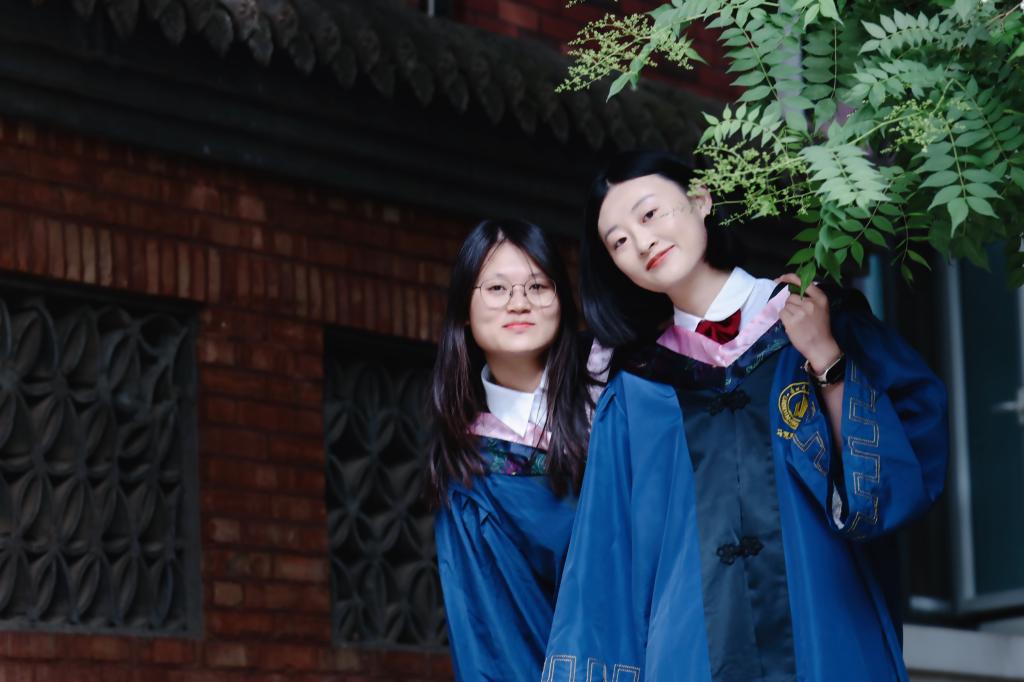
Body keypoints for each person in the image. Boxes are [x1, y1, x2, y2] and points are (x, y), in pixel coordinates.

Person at [542, 151, 948, 682]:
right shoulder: (638, 389)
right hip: (691, 655)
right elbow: (606, 561)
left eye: (650, 214)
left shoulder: (817, 319)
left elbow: (900, 473)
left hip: (824, 632)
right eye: (618, 241)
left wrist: (826, 361)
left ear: (701, 201)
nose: (641, 243)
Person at [429, 219, 598, 682]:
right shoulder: (470, 473)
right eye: (497, 288)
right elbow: (487, 638)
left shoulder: (618, 399)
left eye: (538, 286)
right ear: (465, 311)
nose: (519, 302)